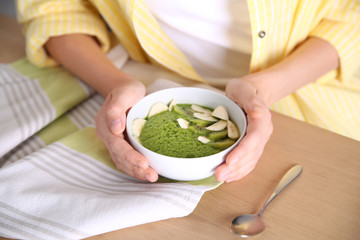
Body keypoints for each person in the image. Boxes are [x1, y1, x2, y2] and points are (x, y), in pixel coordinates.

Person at [15, 0, 360, 183]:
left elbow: (350, 17)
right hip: (147, 78)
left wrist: (262, 89)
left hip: (309, 93)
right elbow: (54, 11)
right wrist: (117, 85)